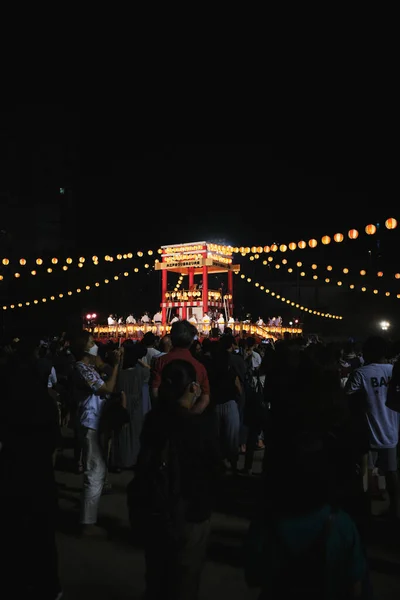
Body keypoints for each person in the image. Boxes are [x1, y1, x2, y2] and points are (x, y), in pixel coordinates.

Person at [131, 359, 221, 599]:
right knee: (184, 580)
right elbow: (214, 470)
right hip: (188, 513)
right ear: (192, 387)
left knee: (156, 576)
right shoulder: (198, 426)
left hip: (155, 509)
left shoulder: (153, 420)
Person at [70, 330, 123, 535]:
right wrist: (117, 365)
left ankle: (88, 517)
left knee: (97, 471)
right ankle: (87, 523)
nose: (95, 344)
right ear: (84, 348)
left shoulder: (87, 367)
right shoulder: (83, 369)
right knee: (94, 472)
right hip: (90, 421)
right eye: (92, 342)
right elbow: (106, 389)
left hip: (92, 421)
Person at [345, 336, 400, 519]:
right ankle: (395, 509)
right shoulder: (394, 371)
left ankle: (365, 511)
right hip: (392, 429)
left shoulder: (360, 373)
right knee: (391, 471)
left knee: (365, 472)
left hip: (366, 430)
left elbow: (348, 398)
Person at [152, 320, 210, 414]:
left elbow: (155, 391)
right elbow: (205, 398)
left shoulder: (161, 361)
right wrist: (190, 416)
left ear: (171, 338)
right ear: (191, 341)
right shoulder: (199, 366)